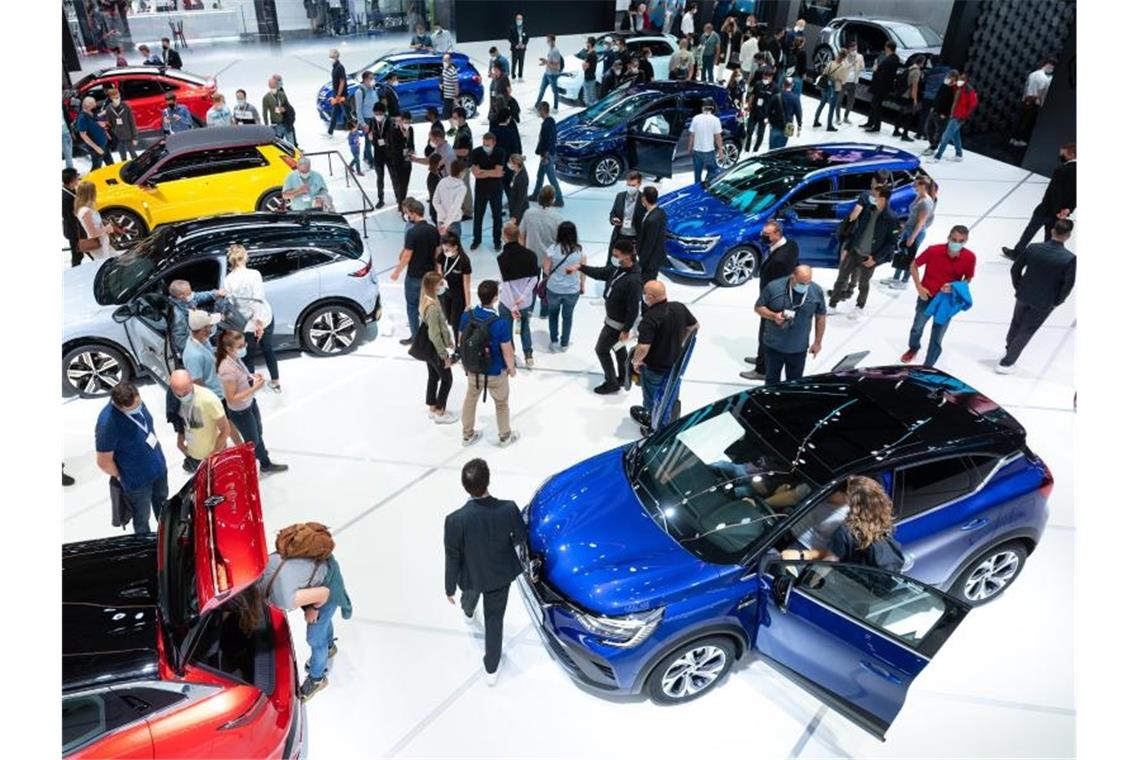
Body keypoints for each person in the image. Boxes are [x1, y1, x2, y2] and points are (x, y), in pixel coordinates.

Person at [444, 458, 527, 685]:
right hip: (500, 575)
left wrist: (449, 587)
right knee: (494, 619)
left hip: (471, 574)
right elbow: (521, 538)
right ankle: (492, 668)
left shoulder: (454, 521)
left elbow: (452, 557)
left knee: (469, 596)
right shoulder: (508, 509)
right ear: (488, 481)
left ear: (465, 486)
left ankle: (468, 613)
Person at [255, 523, 352, 702]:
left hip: (327, 588)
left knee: (315, 638)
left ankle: (317, 678)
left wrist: (312, 608)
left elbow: (324, 593)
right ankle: (330, 646)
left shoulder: (283, 598)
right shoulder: (262, 567)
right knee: (323, 624)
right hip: (321, 571)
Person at [997, 219, 1075, 374]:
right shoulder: (1069, 258)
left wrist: (1019, 286)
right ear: (1068, 236)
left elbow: (1015, 269)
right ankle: (1007, 362)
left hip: (1024, 294)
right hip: (1045, 301)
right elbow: (1068, 285)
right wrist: (1057, 301)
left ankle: (1008, 348)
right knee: (1027, 330)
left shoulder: (1033, 248)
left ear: (1052, 231)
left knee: (1016, 323)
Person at [781, 476, 903, 571]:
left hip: (805, 553)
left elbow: (831, 559)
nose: (828, 492)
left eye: (834, 492)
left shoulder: (848, 526)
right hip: (785, 532)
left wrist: (801, 555)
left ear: (848, 498)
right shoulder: (822, 491)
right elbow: (792, 496)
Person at [567, 239, 641, 394]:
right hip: (612, 319)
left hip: (616, 324)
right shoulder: (617, 269)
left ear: (627, 257)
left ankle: (612, 382)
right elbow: (600, 273)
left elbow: (633, 308)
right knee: (618, 348)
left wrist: (626, 329)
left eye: (616, 255)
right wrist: (581, 267)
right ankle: (622, 376)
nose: (613, 257)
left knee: (601, 350)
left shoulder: (633, 281)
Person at [95, 381, 168, 535]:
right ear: (119, 406)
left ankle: (166, 534)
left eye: (138, 403)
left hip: (158, 467)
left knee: (163, 505)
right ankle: (144, 547)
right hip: (137, 482)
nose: (137, 408)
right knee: (142, 518)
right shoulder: (107, 424)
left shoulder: (137, 401)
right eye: (132, 408)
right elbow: (103, 462)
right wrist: (122, 476)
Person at [900, 226, 976, 367]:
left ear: (966, 241)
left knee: (938, 334)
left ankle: (928, 365)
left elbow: (968, 278)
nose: (957, 243)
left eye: (961, 241)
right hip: (926, 297)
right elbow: (914, 265)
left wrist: (954, 287)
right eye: (954, 239)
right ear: (948, 237)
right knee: (917, 326)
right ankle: (913, 348)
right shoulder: (933, 251)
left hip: (947, 301)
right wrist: (918, 286)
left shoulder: (970, 258)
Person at [215, 329, 289, 474]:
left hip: (249, 404)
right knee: (252, 441)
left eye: (244, 344)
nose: (244, 348)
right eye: (240, 346)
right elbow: (231, 398)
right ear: (229, 348)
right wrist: (254, 388)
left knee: (257, 434)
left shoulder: (234, 359)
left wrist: (251, 376)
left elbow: (241, 376)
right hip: (241, 410)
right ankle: (250, 468)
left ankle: (264, 462)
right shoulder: (226, 369)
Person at [630, 281, 699, 431]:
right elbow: (694, 326)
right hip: (675, 365)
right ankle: (671, 424)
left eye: (644, 294)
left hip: (654, 369)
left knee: (652, 401)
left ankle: (652, 428)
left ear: (650, 296)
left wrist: (636, 361)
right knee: (671, 397)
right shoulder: (679, 307)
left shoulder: (649, 319)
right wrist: (680, 341)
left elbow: (643, 347)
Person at [459, 281, 519, 447]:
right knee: (501, 404)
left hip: (473, 370)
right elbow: (507, 351)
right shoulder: (501, 323)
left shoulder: (467, 316)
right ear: (495, 298)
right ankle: (505, 436)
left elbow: (461, 341)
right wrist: (511, 369)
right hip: (495, 372)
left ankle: (467, 435)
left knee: (470, 400)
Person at [828, 186, 898, 319]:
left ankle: (859, 306)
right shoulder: (868, 210)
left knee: (863, 284)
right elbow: (857, 231)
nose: (872, 197)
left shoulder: (891, 218)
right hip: (854, 251)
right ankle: (832, 304)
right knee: (841, 279)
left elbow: (891, 243)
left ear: (882, 199)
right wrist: (848, 248)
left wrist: (876, 259)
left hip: (869, 257)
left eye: (875, 195)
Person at [741, 221, 799, 381]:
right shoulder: (791, 244)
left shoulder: (779, 260)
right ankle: (762, 359)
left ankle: (762, 369)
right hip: (776, 297)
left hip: (773, 303)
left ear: (777, 234)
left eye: (766, 235)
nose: (763, 237)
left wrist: (767, 306)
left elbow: (776, 286)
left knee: (766, 334)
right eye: (763, 233)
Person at [1003, 142, 1076, 260]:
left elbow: (1054, 193)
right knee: (1051, 236)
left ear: (1071, 154)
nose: (1060, 155)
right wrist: (1068, 209)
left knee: (1030, 230)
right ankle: (1047, 257)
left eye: (1063, 153)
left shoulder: (1061, 170)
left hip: (1047, 209)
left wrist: (1057, 211)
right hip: (1062, 212)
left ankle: (1017, 252)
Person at [756, 265, 826, 384]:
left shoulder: (816, 291)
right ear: (792, 277)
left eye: (808, 283)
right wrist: (773, 316)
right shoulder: (774, 287)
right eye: (801, 283)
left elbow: (821, 316)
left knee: (794, 383)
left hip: (798, 348)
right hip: (773, 346)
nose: (804, 286)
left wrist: (817, 342)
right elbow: (758, 307)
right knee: (771, 381)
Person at [225, 244, 281, 392]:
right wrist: (259, 324)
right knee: (268, 349)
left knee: (248, 356)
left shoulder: (228, 279)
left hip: (245, 324)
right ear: (244, 257)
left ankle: (251, 386)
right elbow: (258, 299)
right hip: (264, 318)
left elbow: (231, 304)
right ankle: (275, 383)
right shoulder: (254, 274)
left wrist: (252, 323)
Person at [390, 198, 441, 343]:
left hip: (414, 276)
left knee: (412, 307)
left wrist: (397, 272)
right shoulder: (433, 230)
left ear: (412, 214)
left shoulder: (412, 233)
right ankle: (432, 337)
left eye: (407, 213)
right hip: (430, 276)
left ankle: (416, 338)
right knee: (429, 307)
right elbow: (437, 253)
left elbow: (407, 256)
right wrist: (438, 272)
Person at [414, 271, 458, 424]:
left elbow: (438, 328)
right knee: (447, 379)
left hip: (428, 347)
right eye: (440, 284)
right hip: (434, 348)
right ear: (433, 286)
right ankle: (440, 411)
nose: (442, 286)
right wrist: (444, 355)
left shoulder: (426, 300)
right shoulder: (432, 307)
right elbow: (434, 333)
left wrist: (448, 339)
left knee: (433, 376)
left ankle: (432, 407)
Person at [169, 369, 231, 472]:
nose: (182, 397)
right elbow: (181, 420)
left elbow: (225, 430)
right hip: (193, 453)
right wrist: (180, 442)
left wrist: (213, 455)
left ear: (191, 382)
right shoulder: (174, 397)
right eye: (179, 395)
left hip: (212, 456)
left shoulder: (208, 400)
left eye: (185, 393)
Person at [497, 223, 540, 367]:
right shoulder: (531, 255)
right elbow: (534, 279)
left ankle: (511, 355)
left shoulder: (502, 258)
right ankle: (529, 355)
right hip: (525, 302)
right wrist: (521, 298)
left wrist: (513, 305)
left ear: (504, 236)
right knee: (525, 327)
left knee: (506, 330)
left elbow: (506, 284)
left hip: (507, 303)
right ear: (519, 236)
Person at [883, 176, 936, 290]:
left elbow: (921, 222)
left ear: (923, 186)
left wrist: (912, 237)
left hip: (916, 233)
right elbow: (912, 215)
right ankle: (896, 278)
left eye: (916, 184)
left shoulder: (926, 202)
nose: (914, 186)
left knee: (910, 257)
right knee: (902, 253)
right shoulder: (919, 196)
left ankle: (904, 281)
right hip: (908, 229)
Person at [544, 221, 586, 351]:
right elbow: (583, 270)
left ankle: (554, 340)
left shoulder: (552, 249)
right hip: (572, 289)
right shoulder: (580, 251)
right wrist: (582, 285)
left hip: (554, 288)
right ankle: (564, 343)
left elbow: (546, 269)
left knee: (553, 315)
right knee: (568, 316)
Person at [929, 72, 978, 163]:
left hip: (959, 117)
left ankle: (937, 157)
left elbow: (973, 104)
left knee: (945, 136)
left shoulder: (969, 90)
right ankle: (959, 155)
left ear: (966, 80)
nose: (960, 80)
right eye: (960, 78)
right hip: (953, 115)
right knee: (956, 136)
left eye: (962, 79)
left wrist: (965, 116)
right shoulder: (958, 87)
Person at [470, 132, 506, 251]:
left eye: (488, 144)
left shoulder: (500, 152)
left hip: (496, 189)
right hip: (481, 189)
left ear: (494, 143)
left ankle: (497, 241)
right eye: (484, 144)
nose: (486, 146)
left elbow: (498, 172)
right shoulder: (476, 152)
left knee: (497, 216)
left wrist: (483, 172)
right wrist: (493, 173)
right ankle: (476, 239)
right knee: (478, 215)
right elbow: (476, 174)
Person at [167, 279, 223, 356]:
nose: (191, 294)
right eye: (189, 293)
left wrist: (214, 293)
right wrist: (198, 350)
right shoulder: (178, 317)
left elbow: (197, 297)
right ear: (181, 296)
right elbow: (180, 341)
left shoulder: (185, 300)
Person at [182, 309, 226, 403]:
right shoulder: (193, 355)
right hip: (216, 400)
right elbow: (197, 384)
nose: (213, 328)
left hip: (222, 391)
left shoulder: (203, 340)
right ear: (203, 329)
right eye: (210, 326)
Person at [436, 232, 473, 343]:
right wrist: (440, 280)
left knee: (456, 323)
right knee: (448, 320)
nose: (445, 251)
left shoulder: (464, 261)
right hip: (445, 293)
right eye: (444, 248)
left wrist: (468, 304)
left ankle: (459, 347)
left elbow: (466, 284)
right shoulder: (442, 256)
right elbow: (439, 270)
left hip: (458, 296)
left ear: (455, 247)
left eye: (447, 249)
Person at [1011, 58, 1055, 147]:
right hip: (1033, 102)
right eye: (1052, 67)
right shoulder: (1044, 78)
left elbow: (1027, 87)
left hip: (1025, 100)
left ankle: (1013, 139)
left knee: (1020, 120)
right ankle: (1019, 140)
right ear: (1048, 65)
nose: (1052, 70)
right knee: (1026, 123)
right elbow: (1040, 93)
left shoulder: (1032, 74)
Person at [529, 101, 564, 207]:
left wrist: (545, 156)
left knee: (552, 178)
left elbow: (548, 141)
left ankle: (559, 199)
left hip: (547, 156)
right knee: (540, 175)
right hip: (546, 154)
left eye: (539, 110)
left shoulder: (547, 124)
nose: (538, 113)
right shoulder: (550, 122)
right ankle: (535, 194)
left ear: (543, 110)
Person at [862, 41, 900, 133]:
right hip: (881, 86)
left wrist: (876, 69)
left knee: (876, 106)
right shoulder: (893, 58)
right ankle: (870, 122)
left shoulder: (890, 60)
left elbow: (884, 74)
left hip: (881, 87)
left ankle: (876, 126)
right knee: (874, 104)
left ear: (888, 48)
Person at [74, 180, 117, 259]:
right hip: (99, 246)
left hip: (103, 243)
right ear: (90, 193)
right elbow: (92, 233)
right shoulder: (85, 211)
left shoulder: (87, 208)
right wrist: (107, 229)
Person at [688, 97, 725, 184]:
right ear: (712, 108)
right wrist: (720, 150)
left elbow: (692, 135)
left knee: (697, 174)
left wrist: (689, 147)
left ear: (702, 108)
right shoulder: (715, 120)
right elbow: (718, 137)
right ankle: (707, 184)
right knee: (713, 171)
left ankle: (697, 188)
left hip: (696, 151)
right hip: (709, 151)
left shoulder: (696, 118)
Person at [922, 68, 958, 155]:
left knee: (938, 132)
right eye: (950, 76)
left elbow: (953, 102)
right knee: (928, 128)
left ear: (955, 78)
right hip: (935, 110)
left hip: (943, 114)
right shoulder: (944, 85)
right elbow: (938, 96)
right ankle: (932, 145)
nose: (950, 78)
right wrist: (933, 106)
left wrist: (946, 113)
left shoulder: (955, 89)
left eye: (952, 77)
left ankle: (933, 147)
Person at [608, 170, 645, 251]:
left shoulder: (644, 199)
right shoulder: (620, 196)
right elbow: (613, 213)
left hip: (634, 238)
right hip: (619, 235)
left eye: (633, 185)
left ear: (639, 184)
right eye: (628, 185)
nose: (630, 187)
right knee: (614, 261)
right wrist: (613, 219)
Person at [892, 56, 926, 141]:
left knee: (901, 112)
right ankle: (905, 134)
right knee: (909, 115)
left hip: (903, 94)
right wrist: (915, 99)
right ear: (922, 62)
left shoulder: (910, 68)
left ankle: (896, 130)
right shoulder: (917, 71)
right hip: (908, 95)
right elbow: (914, 86)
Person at [637, 186, 668, 283]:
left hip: (650, 261)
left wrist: (641, 262)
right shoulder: (661, 212)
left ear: (644, 198)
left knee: (646, 284)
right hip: (656, 257)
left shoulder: (651, 220)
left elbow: (649, 243)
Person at [812, 50, 847, 131]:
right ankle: (829, 126)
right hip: (834, 89)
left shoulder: (831, 63)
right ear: (844, 57)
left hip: (825, 87)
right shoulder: (843, 67)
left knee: (821, 104)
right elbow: (843, 81)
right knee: (831, 108)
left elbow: (824, 72)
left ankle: (816, 121)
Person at [432, 159, 468, 240]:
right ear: (461, 172)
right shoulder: (462, 188)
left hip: (441, 220)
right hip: (453, 222)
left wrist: (443, 215)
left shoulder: (442, 182)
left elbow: (435, 201)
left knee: (442, 246)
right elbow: (455, 207)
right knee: (454, 248)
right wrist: (446, 224)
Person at [101, 88, 138, 162]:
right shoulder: (109, 109)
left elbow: (132, 122)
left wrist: (135, 137)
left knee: (133, 154)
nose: (118, 99)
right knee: (122, 156)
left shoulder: (126, 107)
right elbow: (109, 124)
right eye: (115, 98)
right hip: (117, 137)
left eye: (118, 97)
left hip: (128, 135)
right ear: (111, 98)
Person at [386, 111, 415, 206]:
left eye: (409, 122)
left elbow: (412, 144)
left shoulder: (410, 130)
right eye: (406, 122)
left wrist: (411, 151)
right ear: (401, 121)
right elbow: (395, 148)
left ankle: (401, 200)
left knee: (405, 184)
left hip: (407, 160)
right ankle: (401, 204)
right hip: (397, 161)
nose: (408, 124)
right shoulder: (394, 131)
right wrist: (404, 138)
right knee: (400, 184)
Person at [743, 66, 775, 152]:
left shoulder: (774, 88)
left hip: (765, 114)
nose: (765, 78)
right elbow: (752, 96)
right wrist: (749, 106)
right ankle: (747, 147)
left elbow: (775, 103)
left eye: (767, 77)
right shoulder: (758, 84)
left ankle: (756, 149)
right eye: (764, 76)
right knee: (749, 130)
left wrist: (770, 116)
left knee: (760, 133)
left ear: (771, 77)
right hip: (754, 111)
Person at [367, 103, 392, 207]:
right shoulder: (372, 121)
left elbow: (389, 138)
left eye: (379, 113)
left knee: (394, 177)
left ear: (384, 113)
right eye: (376, 113)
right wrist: (370, 137)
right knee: (379, 178)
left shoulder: (390, 122)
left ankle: (399, 198)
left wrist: (379, 140)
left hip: (389, 154)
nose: (377, 115)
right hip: (377, 154)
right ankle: (380, 199)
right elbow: (370, 135)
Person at [75, 96, 111, 169]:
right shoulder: (82, 118)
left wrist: (105, 132)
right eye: (93, 104)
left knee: (110, 164)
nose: (95, 105)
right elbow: (83, 135)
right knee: (96, 168)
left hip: (104, 144)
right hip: (96, 148)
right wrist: (96, 148)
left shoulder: (92, 112)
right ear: (88, 106)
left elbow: (97, 121)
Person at [767, 77, 801, 150]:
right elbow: (798, 113)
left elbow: (769, 110)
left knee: (771, 149)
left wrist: (771, 121)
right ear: (792, 85)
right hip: (787, 127)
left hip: (775, 125)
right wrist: (799, 124)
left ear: (783, 85)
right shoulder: (795, 98)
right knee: (780, 149)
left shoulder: (776, 97)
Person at [63, 169, 86, 268]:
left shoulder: (71, 190)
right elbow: (68, 215)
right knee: (77, 255)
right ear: (72, 180)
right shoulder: (65, 197)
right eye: (76, 176)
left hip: (77, 228)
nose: (78, 178)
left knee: (80, 253)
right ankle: (76, 272)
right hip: (74, 230)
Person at [535, 35, 564, 113]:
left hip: (553, 75)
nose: (547, 42)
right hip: (547, 73)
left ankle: (555, 108)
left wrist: (546, 62)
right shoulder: (551, 49)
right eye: (547, 40)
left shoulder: (555, 51)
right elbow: (550, 62)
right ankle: (536, 106)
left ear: (553, 41)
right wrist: (545, 62)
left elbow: (557, 66)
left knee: (555, 91)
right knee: (541, 90)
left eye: (548, 40)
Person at [840, 40, 864, 125]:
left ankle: (846, 117)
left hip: (854, 82)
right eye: (853, 49)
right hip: (844, 81)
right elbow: (842, 67)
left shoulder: (860, 56)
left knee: (851, 101)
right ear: (849, 49)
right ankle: (838, 117)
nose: (854, 51)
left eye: (856, 49)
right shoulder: (844, 56)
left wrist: (859, 66)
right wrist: (851, 64)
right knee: (840, 100)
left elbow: (862, 67)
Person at [327, 49, 348, 135]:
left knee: (346, 113)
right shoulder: (334, 67)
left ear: (336, 56)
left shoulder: (340, 67)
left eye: (332, 56)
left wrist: (338, 95)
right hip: (336, 94)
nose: (330, 58)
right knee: (335, 112)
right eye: (330, 56)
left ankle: (353, 128)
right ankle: (330, 131)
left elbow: (342, 81)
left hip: (341, 95)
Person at [506, 155, 529, 224]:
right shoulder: (516, 172)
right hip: (514, 208)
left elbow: (521, 199)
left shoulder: (522, 178)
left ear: (516, 164)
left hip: (520, 211)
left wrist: (515, 216)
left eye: (510, 162)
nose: (508, 164)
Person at [439, 53, 459, 119]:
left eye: (446, 60)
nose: (444, 62)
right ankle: (453, 127)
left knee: (449, 114)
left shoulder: (453, 71)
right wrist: (441, 83)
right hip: (446, 95)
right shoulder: (444, 69)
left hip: (451, 96)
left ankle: (454, 127)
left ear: (450, 61)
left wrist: (456, 96)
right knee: (447, 114)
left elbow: (456, 84)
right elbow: (442, 76)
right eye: (443, 60)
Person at [509, 12, 528, 80]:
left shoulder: (525, 27)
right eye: (517, 19)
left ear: (522, 20)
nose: (519, 20)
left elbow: (527, 37)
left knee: (521, 62)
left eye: (520, 19)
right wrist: (515, 45)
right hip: (515, 48)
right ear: (515, 20)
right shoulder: (512, 28)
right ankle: (513, 75)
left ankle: (520, 75)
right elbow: (510, 38)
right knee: (514, 62)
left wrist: (524, 44)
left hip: (522, 48)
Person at [788, 35, 807, 100]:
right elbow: (803, 65)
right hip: (798, 75)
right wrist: (804, 74)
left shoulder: (790, 50)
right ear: (801, 43)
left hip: (789, 74)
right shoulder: (803, 53)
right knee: (796, 95)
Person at [581, 36, 599, 105]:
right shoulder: (593, 53)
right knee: (590, 98)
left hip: (589, 79)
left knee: (589, 100)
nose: (586, 44)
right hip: (591, 78)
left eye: (587, 42)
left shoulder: (590, 55)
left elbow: (584, 67)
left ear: (590, 44)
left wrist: (583, 63)